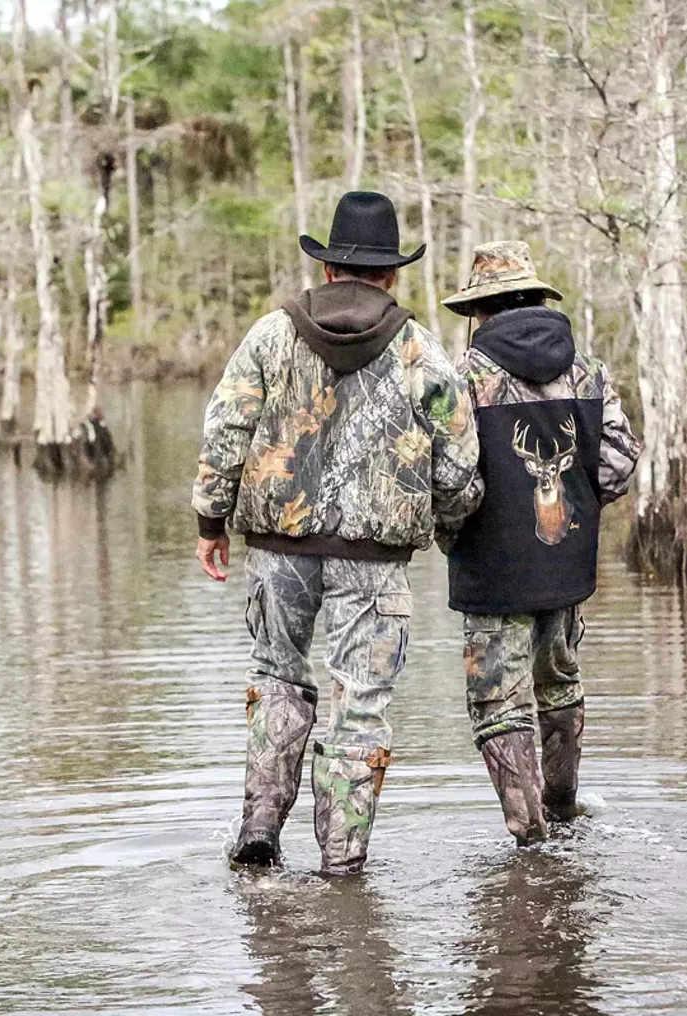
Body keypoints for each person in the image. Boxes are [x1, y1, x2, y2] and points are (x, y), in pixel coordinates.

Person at [193, 191, 482, 874]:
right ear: (391, 274)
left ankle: (260, 829)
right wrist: (450, 522)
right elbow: (460, 462)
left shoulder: (270, 335)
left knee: (276, 676)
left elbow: (225, 429)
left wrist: (211, 519)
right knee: (361, 704)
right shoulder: (419, 349)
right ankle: (343, 863)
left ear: (327, 269)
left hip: (278, 551)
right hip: (374, 562)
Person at [438, 241, 640, 845]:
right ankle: (563, 810)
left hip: (492, 574)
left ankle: (529, 838)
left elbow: (452, 481)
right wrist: (577, 508)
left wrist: (460, 531)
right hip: (565, 567)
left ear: (480, 310)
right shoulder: (589, 371)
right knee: (560, 682)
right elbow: (620, 463)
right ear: (536, 300)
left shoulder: (464, 378)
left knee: (498, 702)